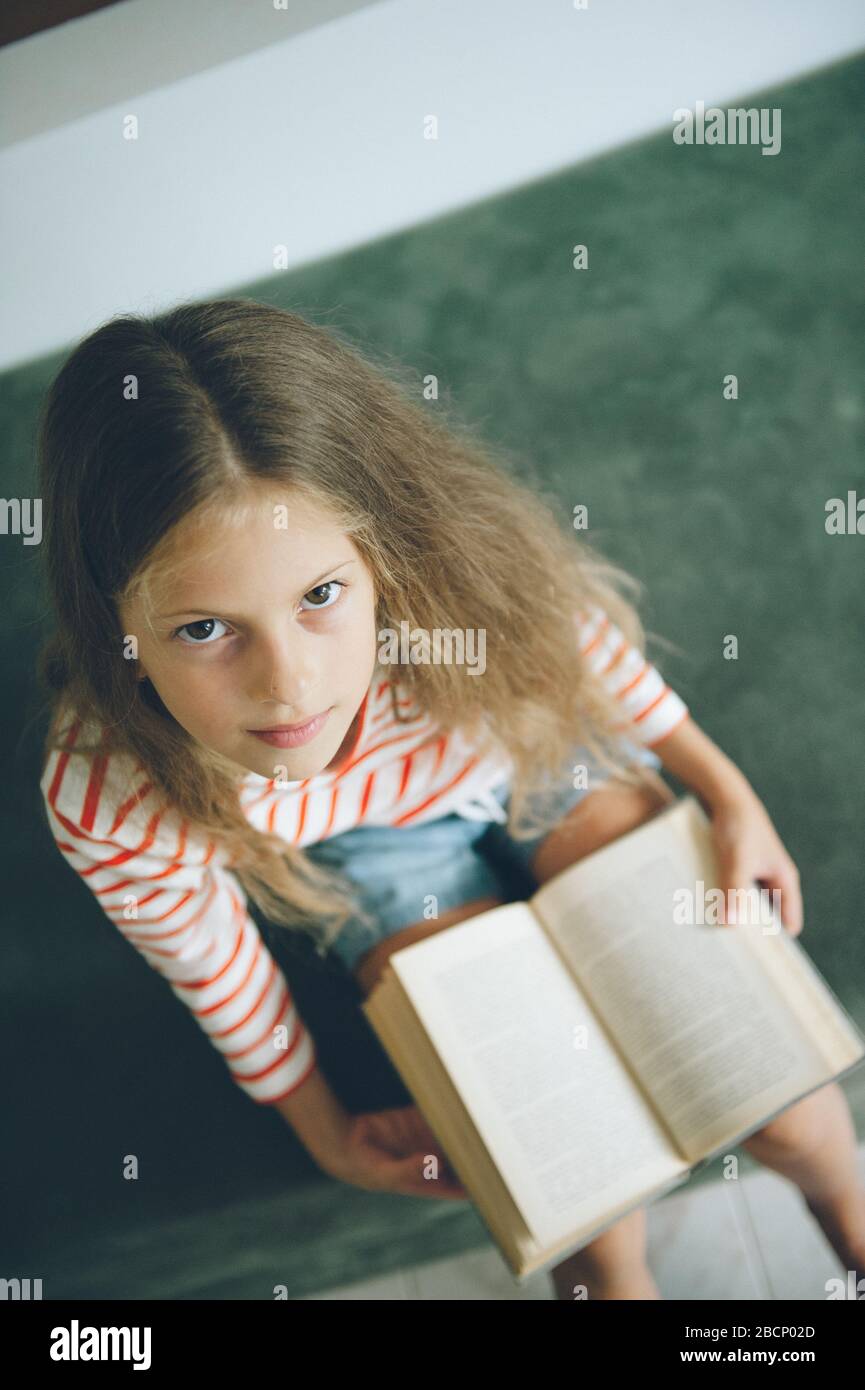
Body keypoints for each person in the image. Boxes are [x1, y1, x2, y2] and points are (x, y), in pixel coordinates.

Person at [35, 298, 865, 1300]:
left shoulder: (456, 563)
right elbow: (216, 968)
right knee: (578, 1193)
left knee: (778, 1094)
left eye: (320, 597)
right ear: (113, 618)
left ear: (380, 551)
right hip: (370, 857)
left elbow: (581, 650)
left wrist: (726, 792)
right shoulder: (107, 790)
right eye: (206, 630)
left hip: (531, 753)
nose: (289, 685)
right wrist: (327, 1129)